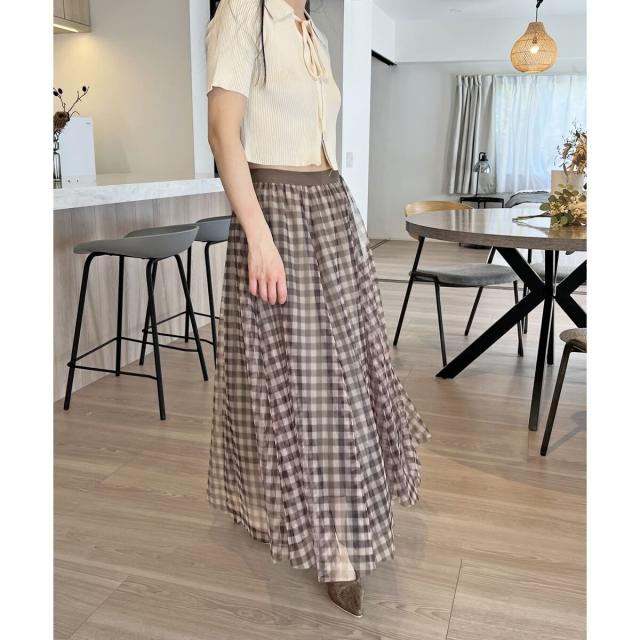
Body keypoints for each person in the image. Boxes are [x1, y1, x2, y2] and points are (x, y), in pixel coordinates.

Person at [205, 0, 431, 618]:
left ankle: (324, 513)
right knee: (301, 382)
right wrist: (259, 236)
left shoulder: (314, 31)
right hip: (276, 212)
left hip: (328, 206)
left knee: (349, 374)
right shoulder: (244, 13)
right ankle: (330, 544)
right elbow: (223, 133)